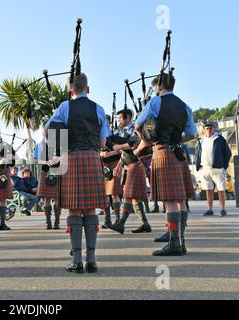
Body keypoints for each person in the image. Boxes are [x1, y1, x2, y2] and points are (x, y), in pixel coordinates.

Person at [45, 73, 109, 273]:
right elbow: (103, 143)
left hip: (71, 158)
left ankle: (77, 260)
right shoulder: (98, 108)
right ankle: (92, 259)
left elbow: (48, 132)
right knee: (90, 209)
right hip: (91, 158)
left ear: (71, 90)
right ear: (87, 88)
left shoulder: (64, 107)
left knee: (73, 209)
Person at [135, 73, 197, 256]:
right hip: (180, 153)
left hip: (162, 152)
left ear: (159, 87)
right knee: (181, 199)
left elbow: (138, 125)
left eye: (155, 88)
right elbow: (192, 134)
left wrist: (147, 140)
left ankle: (174, 243)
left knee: (169, 201)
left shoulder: (155, 102)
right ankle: (181, 241)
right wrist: (177, 140)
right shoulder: (185, 106)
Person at [107, 109, 152, 234]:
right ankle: (145, 223)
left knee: (128, 194)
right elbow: (125, 151)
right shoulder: (123, 131)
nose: (118, 120)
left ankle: (121, 224)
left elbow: (135, 143)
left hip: (135, 164)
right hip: (129, 164)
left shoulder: (135, 129)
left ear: (128, 118)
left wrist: (119, 146)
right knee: (134, 198)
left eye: (120, 118)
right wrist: (120, 164)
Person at [195, 121, 232, 217]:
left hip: (218, 168)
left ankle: (223, 209)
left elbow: (228, 153)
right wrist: (198, 165)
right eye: (207, 128)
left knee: (221, 189)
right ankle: (210, 209)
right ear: (204, 130)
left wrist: (224, 165)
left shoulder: (219, 139)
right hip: (205, 168)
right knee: (208, 189)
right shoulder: (201, 140)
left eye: (210, 128)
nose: (208, 130)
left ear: (213, 129)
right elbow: (198, 153)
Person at [34, 135, 61, 229]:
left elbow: (66, 157)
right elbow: (36, 160)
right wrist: (46, 162)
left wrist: (59, 159)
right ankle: (48, 222)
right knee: (47, 198)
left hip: (58, 172)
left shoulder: (60, 144)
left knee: (58, 198)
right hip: (46, 172)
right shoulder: (40, 145)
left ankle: (57, 222)